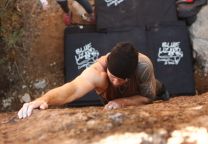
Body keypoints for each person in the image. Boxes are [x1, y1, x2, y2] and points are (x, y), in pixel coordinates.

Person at [18, 42, 169, 119]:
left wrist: (122, 102)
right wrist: (45, 99)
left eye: (120, 80)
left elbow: (148, 97)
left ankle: (163, 90)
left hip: (141, 89)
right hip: (111, 100)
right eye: (112, 77)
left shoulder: (143, 66)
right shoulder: (98, 72)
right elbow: (73, 88)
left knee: (158, 88)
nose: (115, 82)